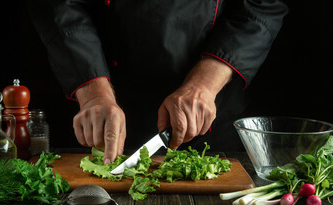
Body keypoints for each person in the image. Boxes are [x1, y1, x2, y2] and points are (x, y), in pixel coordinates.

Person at [27, 0, 288, 164]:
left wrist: (203, 85)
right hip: (100, 109)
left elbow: (263, 5)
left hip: (206, 113)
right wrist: (94, 92)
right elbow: (58, 5)